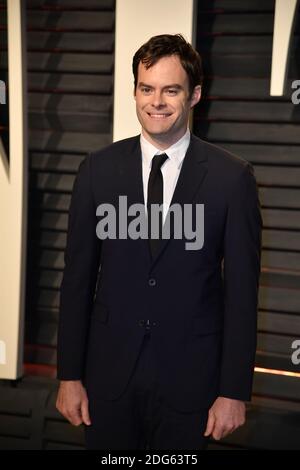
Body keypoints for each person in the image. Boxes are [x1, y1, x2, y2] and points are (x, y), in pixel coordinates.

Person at [56, 34, 262, 450]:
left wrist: (234, 390)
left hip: (192, 385)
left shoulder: (231, 178)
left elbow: (242, 292)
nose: (157, 101)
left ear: (194, 95)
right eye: (146, 88)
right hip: (107, 380)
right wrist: (69, 375)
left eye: (171, 90)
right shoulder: (96, 170)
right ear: (134, 91)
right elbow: (77, 279)